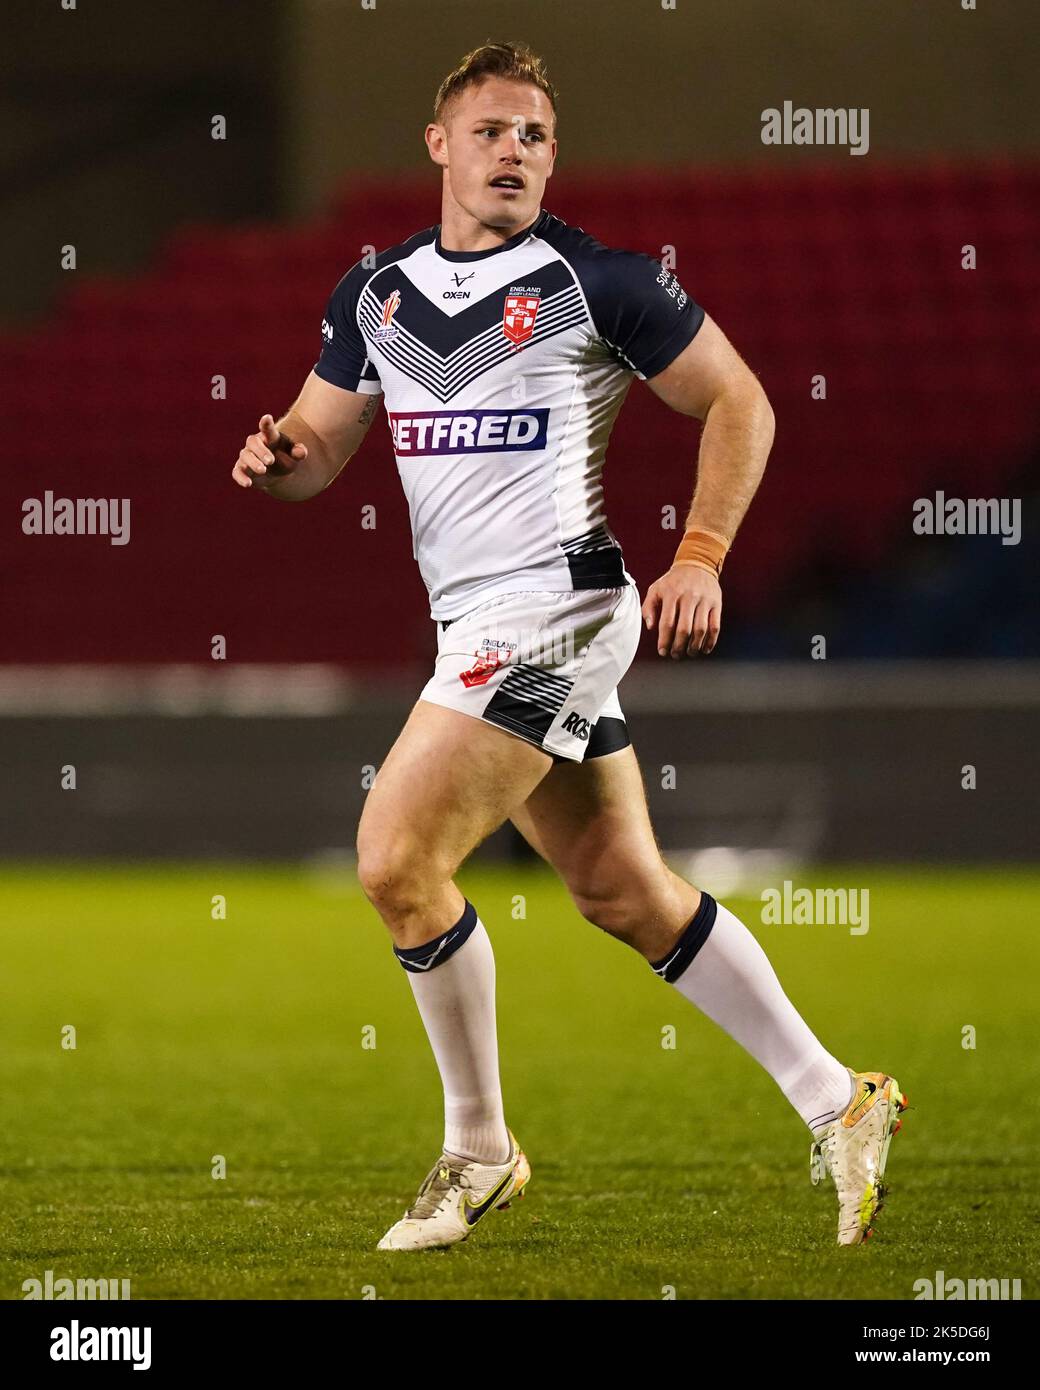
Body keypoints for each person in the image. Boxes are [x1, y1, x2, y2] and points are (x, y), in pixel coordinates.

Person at [232, 40, 906, 1250]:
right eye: (490, 130)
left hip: (556, 609)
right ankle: (837, 1097)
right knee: (618, 889)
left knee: (392, 858)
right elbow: (318, 449)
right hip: (472, 625)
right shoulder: (374, 295)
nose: (514, 151)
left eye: (534, 134)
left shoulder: (596, 281)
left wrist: (697, 552)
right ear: (438, 145)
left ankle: (477, 1148)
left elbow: (740, 400)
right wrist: (279, 460)